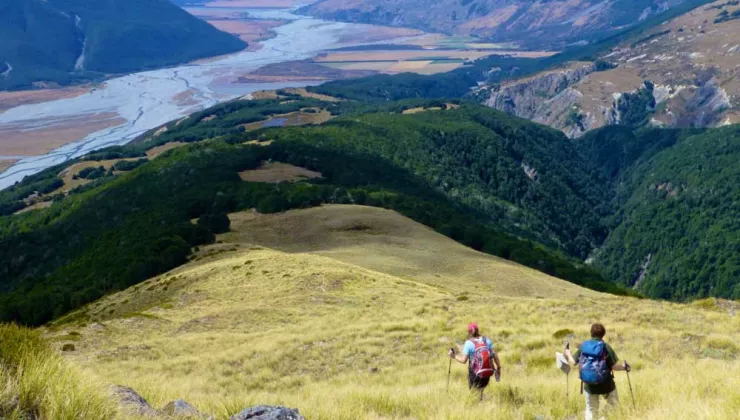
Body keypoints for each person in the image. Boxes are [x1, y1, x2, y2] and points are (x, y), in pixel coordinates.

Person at [564, 323, 631, 420]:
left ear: (591, 333)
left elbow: (573, 362)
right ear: (603, 334)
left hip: (589, 385)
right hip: (606, 384)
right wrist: (624, 367)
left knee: (591, 410)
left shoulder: (584, 346)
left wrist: (567, 353)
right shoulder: (605, 347)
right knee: (614, 404)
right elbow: (614, 366)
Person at [448, 323, 501, 395]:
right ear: (478, 330)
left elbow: (464, 360)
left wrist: (454, 356)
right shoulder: (487, 340)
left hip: (475, 373)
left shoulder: (468, 343)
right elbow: (495, 355)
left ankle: (478, 404)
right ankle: (481, 402)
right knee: (481, 390)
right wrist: (498, 368)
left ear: (469, 332)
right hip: (487, 372)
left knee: (474, 394)